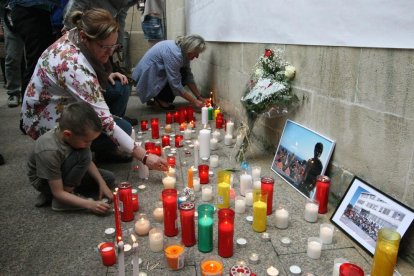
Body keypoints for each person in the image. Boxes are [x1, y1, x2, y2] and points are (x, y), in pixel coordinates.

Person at [21, 8, 168, 170]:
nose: (109, 53)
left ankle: (102, 150)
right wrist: (145, 156)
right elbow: (106, 121)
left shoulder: (78, 34)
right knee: (123, 129)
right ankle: (71, 158)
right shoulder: (74, 65)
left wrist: (106, 75)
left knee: (119, 87)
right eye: (105, 47)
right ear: (85, 37)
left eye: (114, 46)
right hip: (46, 121)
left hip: (66, 102)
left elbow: (93, 66)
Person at [28, 102, 114, 214]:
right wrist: (90, 205)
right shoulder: (49, 150)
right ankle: (61, 200)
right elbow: (84, 157)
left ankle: (58, 194)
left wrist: (102, 183)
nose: (90, 144)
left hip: (64, 170)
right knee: (84, 153)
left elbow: (87, 162)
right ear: (68, 134)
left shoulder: (72, 138)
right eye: (87, 141)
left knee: (108, 178)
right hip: (45, 181)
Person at [132, 34, 207, 110]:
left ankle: (159, 97)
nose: (197, 56)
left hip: (156, 73)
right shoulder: (174, 54)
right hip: (147, 77)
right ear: (190, 49)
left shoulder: (184, 51)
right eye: (196, 53)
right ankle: (161, 99)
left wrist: (199, 97)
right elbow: (175, 83)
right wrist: (194, 101)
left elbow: (188, 75)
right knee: (180, 76)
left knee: (184, 73)